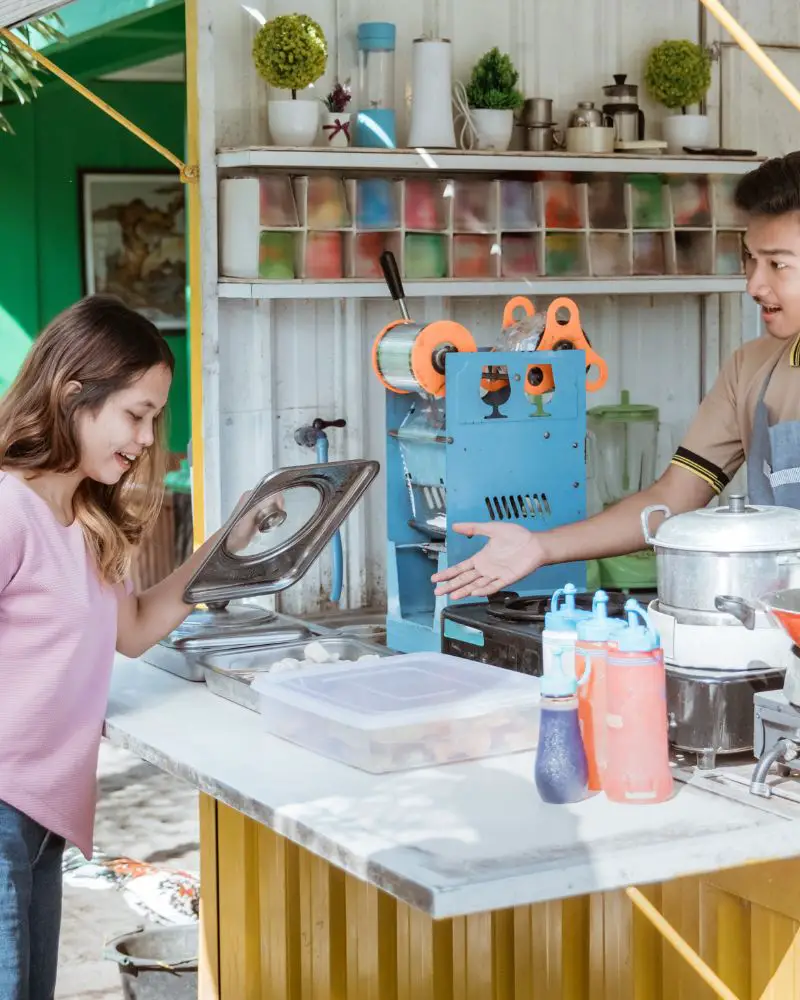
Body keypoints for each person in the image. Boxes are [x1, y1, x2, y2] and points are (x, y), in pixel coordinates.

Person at [0, 294, 266, 999]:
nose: (149, 438)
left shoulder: (83, 519)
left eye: (155, 418)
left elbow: (136, 628)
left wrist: (225, 546)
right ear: (71, 396)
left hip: (38, 817)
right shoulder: (9, 509)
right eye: (136, 414)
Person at [434, 151, 800, 601]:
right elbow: (672, 499)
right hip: (779, 627)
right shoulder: (751, 370)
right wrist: (540, 547)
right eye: (750, 259)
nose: (754, 285)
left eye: (778, 264)